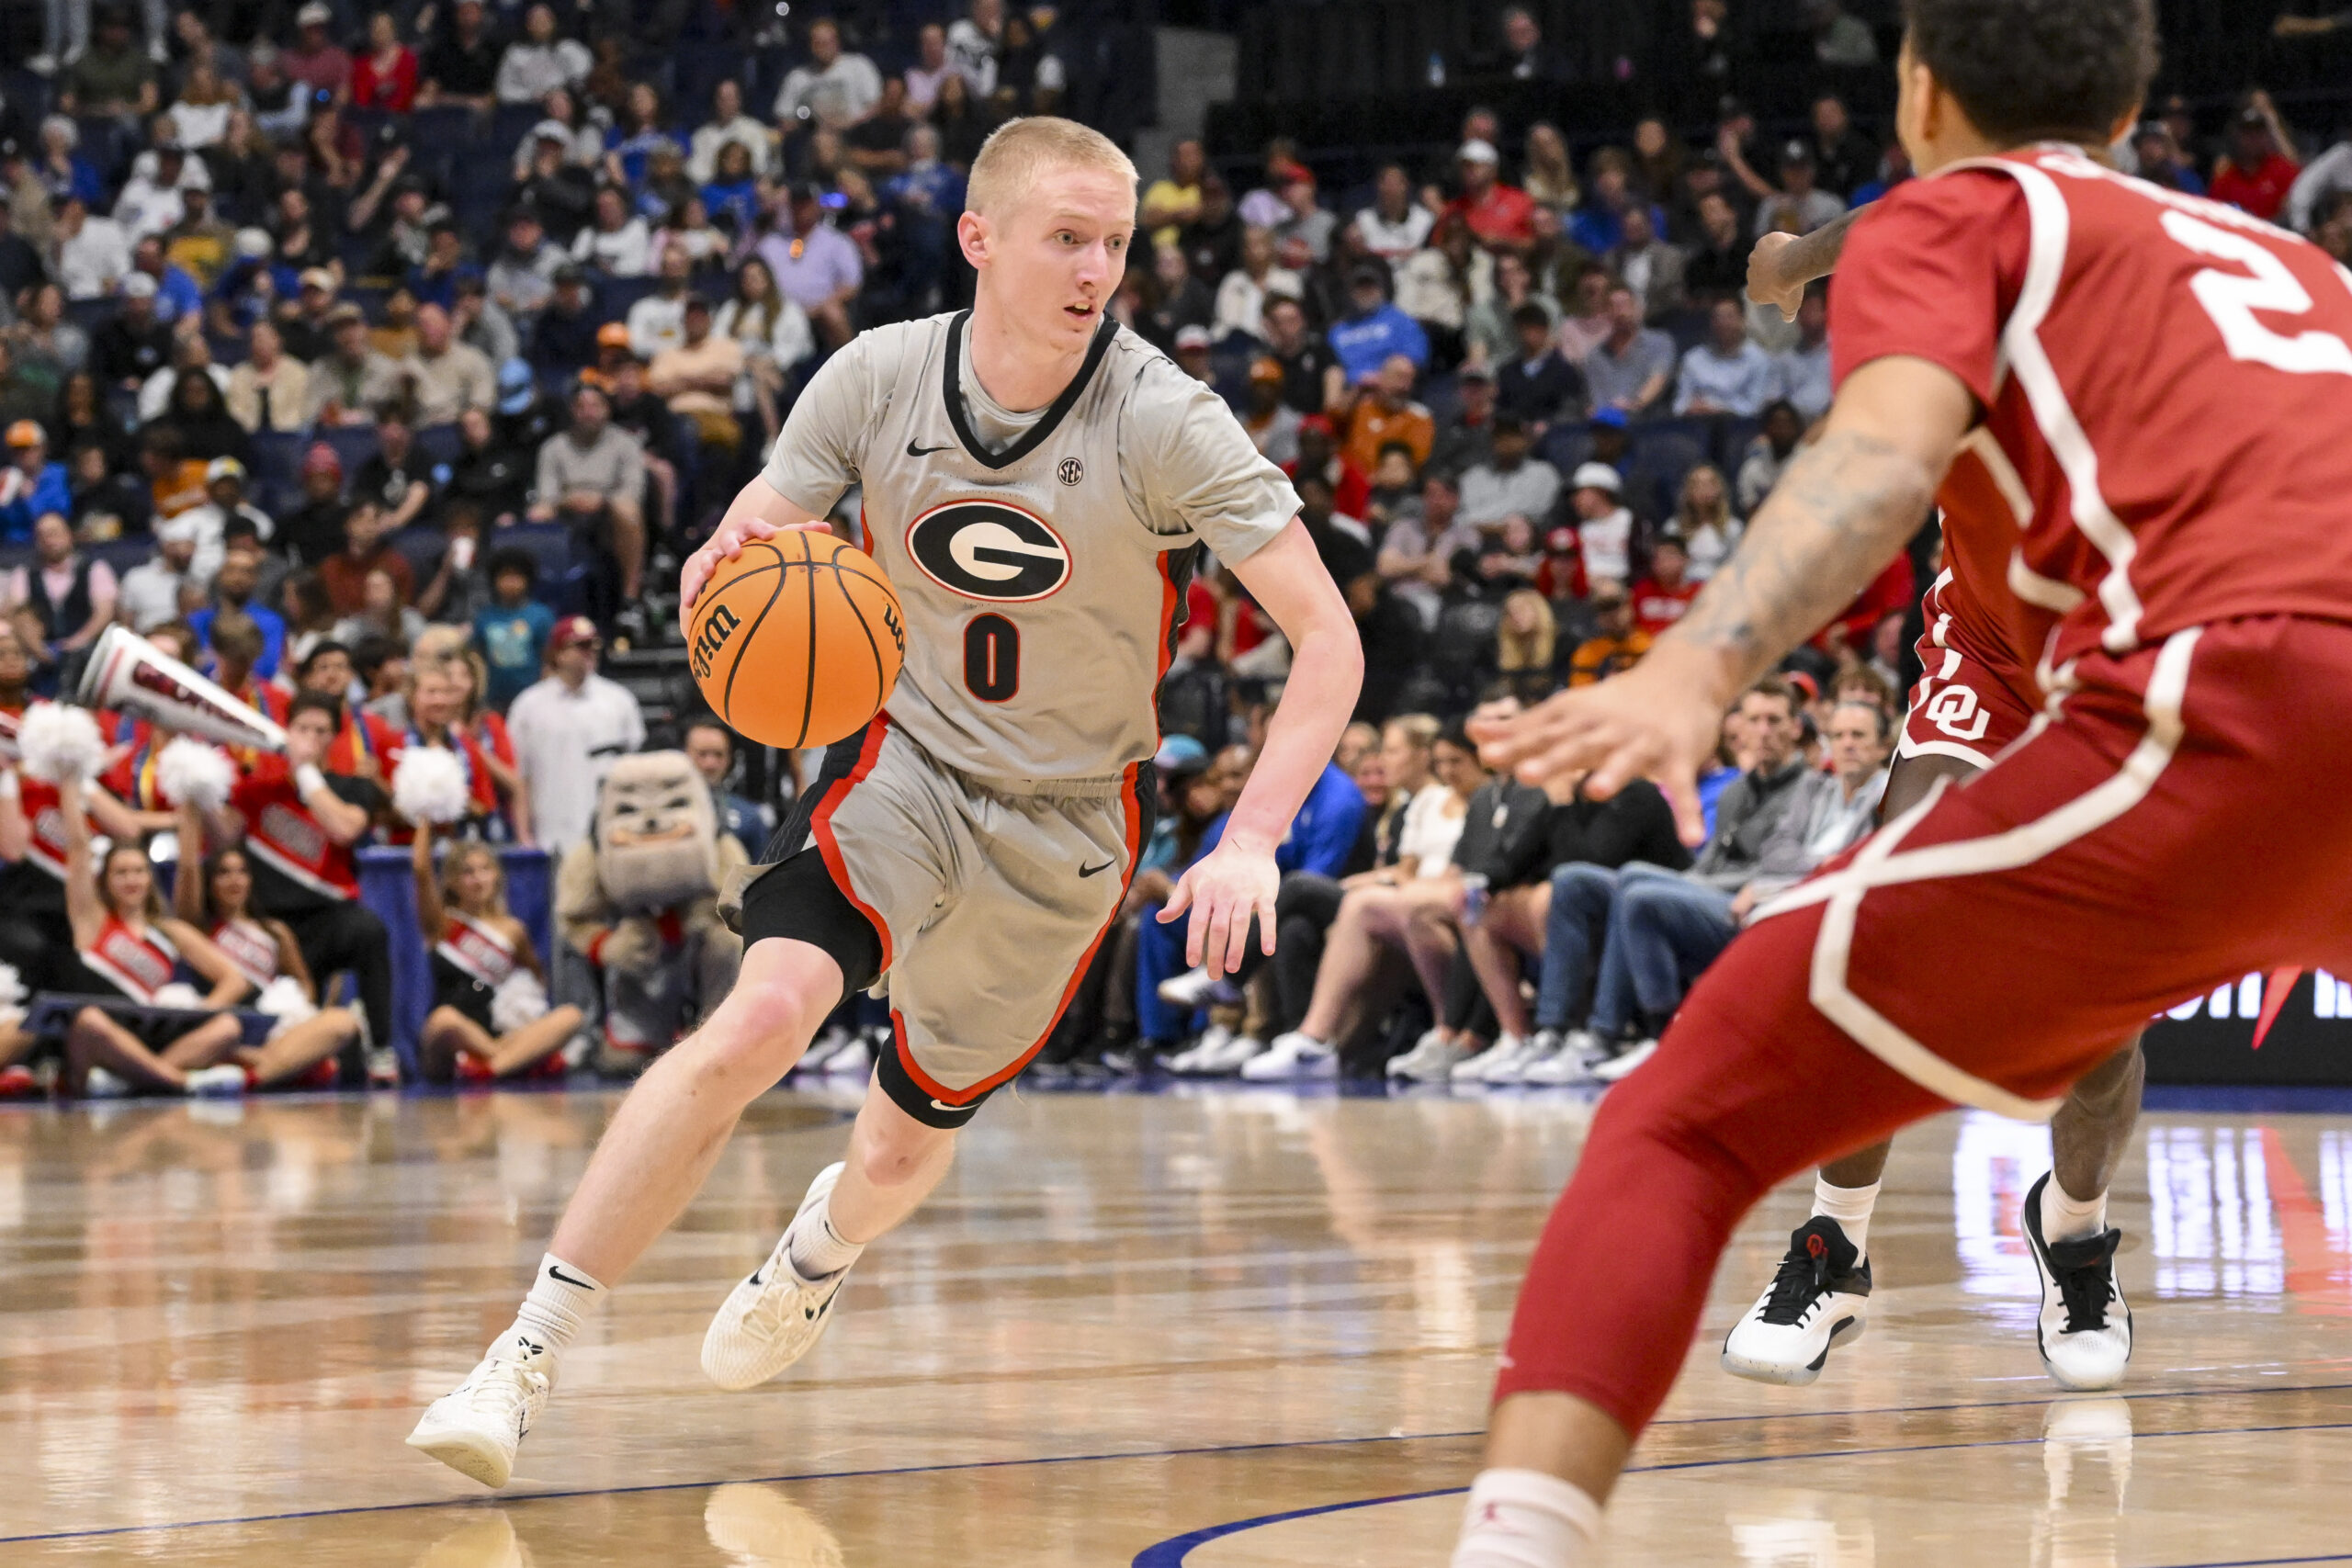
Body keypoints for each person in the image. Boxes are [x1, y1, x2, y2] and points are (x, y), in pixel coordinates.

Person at [1447, 4, 2352, 1559]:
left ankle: (2062, 1241)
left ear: (1920, 95)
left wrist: (1693, 666)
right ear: (2135, 106)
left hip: (2214, 683)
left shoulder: (1968, 213)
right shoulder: (2290, 265)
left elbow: (1874, 452)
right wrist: (1799, 264)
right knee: (1917, 848)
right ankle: (1840, 1238)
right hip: (2029, 648)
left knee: (1684, 1114)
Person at [408, 116, 1363, 1492]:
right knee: (762, 1015)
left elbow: (1327, 638)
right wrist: (724, 567)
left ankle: (817, 1254)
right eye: (1067, 237)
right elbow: (762, 528)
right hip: (902, 764)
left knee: (903, 1139)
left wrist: (1254, 838)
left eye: (1115, 242)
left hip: (1070, 821)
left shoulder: (1163, 417)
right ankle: (524, 1350)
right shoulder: (875, 376)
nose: (1098, 267)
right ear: (980, 238)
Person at [54, 773, 252, 1099]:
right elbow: (78, 849)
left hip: (154, 1036)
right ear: (106, 880)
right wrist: (69, 780)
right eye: (121, 872)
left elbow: (235, 980)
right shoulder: (92, 920)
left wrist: (195, 1014)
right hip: (106, 1039)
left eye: (139, 871)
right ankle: (179, 1082)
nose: (131, 880)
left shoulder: (169, 930)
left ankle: (136, 1079)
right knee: (89, 1021)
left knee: (228, 1027)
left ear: (150, 878)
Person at [170, 806, 365, 1090]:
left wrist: (292, 1006)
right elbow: (187, 869)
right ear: (210, 883)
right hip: (220, 1027)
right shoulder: (200, 927)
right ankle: (275, 1067)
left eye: (241, 873)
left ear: (251, 880)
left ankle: (248, 1075)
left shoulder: (274, 931)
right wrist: (191, 809)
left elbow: (303, 984)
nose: (234, 880)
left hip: (269, 1029)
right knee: (223, 1035)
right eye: (223, 874)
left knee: (342, 1022)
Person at [412, 818, 582, 1082]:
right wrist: (425, 818)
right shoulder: (442, 923)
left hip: (499, 1032)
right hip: (453, 1038)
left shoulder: (513, 930)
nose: (479, 879)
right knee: (444, 1019)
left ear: (497, 875)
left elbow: (536, 981)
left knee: (570, 1016)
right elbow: (421, 871)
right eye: (468, 873)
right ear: (453, 882)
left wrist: (519, 1009)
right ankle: (516, 1060)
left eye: (485, 869)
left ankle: (491, 1068)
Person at [503, 615, 643, 854]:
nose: (589, 652)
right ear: (558, 653)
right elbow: (520, 776)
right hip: (551, 832)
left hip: (613, 832)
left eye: (594, 645)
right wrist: (523, 834)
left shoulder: (619, 701)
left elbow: (635, 769)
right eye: (580, 646)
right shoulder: (529, 705)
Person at [685, 717, 775, 861]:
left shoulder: (750, 817)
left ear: (730, 759)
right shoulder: (664, 814)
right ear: (685, 755)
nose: (710, 764)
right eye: (702, 754)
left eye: (718, 754)